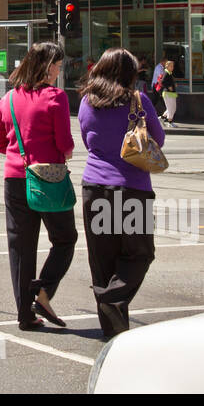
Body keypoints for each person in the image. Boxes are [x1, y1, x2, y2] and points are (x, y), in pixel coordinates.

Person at [77, 47, 165, 339]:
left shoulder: (87, 102)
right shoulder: (138, 101)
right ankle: (114, 299)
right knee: (140, 254)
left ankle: (113, 332)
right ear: (129, 74)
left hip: (94, 187)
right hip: (132, 188)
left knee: (102, 262)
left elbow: (88, 141)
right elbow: (158, 139)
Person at [0, 41, 76, 332]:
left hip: (14, 179)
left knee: (21, 248)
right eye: (57, 65)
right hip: (47, 179)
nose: (59, 71)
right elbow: (65, 144)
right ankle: (43, 291)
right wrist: (63, 152)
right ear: (47, 66)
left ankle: (24, 315)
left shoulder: (9, 98)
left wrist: (20, 155)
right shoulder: (56, 98)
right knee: (65, 239)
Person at [159, 59, 178, 127]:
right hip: (167, 93)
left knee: (172, 108)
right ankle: (170, 122)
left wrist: (173, 85)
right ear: (167, 66)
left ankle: (161, 118)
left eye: (173, 66)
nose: (172, 67)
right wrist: (168, 87)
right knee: (171, 108)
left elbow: (167, 81)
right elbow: (163, 81)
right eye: (171, 66)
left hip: (171, 93)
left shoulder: (169, 73)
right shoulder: (166, 73)